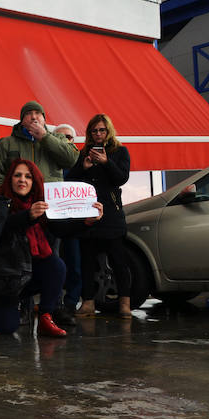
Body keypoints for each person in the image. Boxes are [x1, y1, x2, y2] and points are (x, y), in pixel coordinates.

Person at [0, 160, 102, 337]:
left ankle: (46, 316)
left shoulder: (41, 204)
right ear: (9, 179)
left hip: (25, 273)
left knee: (56, 266)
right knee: (6, 327)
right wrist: (27, 216)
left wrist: (86, 222)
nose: (23, 180)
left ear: (34, 181)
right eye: (18, 175)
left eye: (28, 176)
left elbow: (60, 229)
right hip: (1, 278)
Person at [68, 114, 132, 319]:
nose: (98, 134)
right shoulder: (83, 153)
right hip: (87, 216)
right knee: (87, 262)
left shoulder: (120, 151)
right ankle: (87, 302)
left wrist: (106, 162)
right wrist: (83, 167)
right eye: (94, 130)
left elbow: (121, 178)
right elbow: (71, 182)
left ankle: (124, 302)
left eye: (101, 130)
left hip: (112, 216)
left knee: (118, 261)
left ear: (108, 130)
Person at [0, 101, 78, 190]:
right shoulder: (6, 143)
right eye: (28, 113)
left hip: (49, 198)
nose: (33, 117)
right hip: (18, 200)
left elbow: (71, 159)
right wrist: (6, 195)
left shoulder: (59, 138)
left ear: (44, 119)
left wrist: (45, 137)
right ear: (22, 121)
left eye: (38, 113)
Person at [53, 123, 81, 324]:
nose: (65, 140)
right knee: (52, 263)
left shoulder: (81, 163)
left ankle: (70, 304)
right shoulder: (48, 160)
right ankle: (54, 304)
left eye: (69, 137)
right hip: (51, 221)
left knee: (74, 263)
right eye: (60, 137)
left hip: (73, 222)